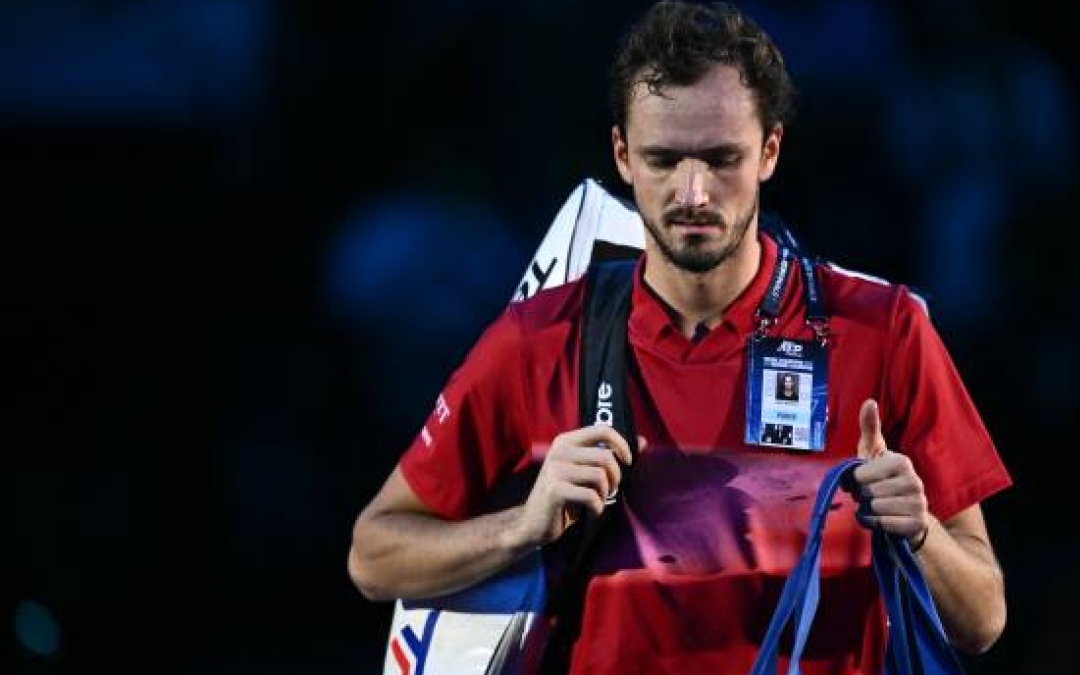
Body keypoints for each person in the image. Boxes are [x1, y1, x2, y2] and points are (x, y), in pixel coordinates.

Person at [348, 2, 1011, 673]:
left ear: (770, 152)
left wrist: (919, 531)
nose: (693, 192)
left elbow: (983, 617)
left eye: (723, 158)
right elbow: (375, 554)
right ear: (623, 155)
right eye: (664, 159)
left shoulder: (884, 328)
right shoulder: (540, 337)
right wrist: (521, 528)